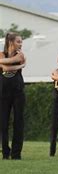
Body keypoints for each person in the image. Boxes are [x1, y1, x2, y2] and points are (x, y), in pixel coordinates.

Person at [0, 32, 26, 160]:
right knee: (3, 123)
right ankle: (5, 152)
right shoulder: (1, 54)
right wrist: (20, 66)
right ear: (11, 42)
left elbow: (8, 64)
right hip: (3, 93)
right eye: (18, 41)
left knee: (18, 122)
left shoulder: (20, 54)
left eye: (21, 41)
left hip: (18, 92)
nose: (21, 44)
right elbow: (4, 66)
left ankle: (16, 154)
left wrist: (13, 64)